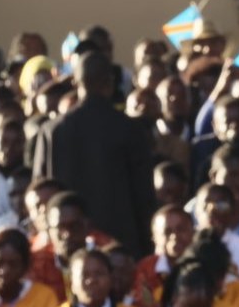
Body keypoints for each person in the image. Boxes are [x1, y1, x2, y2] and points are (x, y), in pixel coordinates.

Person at [33, 53, 154, 250]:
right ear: (111, 82)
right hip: (120, 245)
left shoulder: (52, 131)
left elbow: (42, 192)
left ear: (75, 81)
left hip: (68, 242)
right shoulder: (130, 129)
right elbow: (144, 197)